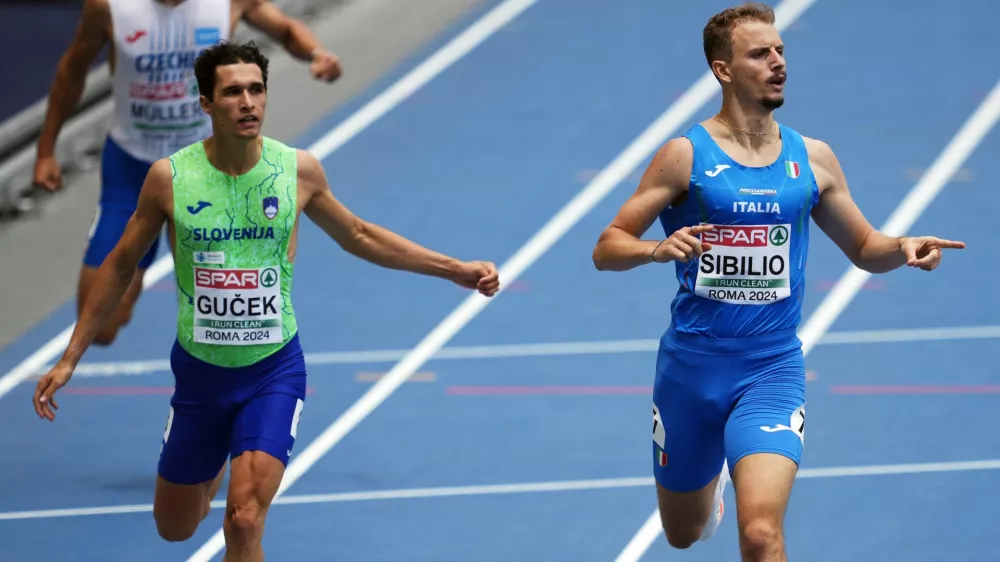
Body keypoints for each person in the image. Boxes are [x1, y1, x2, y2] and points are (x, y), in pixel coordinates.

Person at [31, 40, 500, 560]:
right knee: (175, 527)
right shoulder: (170, 178)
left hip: (272, 370)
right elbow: (120, 264)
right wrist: (70, 356)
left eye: (257, 90)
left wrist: (454, 269)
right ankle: (210, 460)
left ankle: (238, 470)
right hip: (200, 374)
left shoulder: (295, 170)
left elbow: (360, 235)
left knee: (245, 519)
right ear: (206, 104)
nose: (248, 102)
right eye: (233, 92)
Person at [591, 3, 964, 561]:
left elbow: (865, 247)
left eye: (781, 51)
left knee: (762, 533)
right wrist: (653, 248)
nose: (778, 62)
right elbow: (607, 247)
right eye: (760, 53)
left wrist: (902, 247)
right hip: (691, 371)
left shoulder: (812, 159)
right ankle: (704, 493)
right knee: (683, 533)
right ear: (724, 70)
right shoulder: (684, 156)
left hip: (771, 370)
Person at [33, 0, 343, 346]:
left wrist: (316, 52)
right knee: (103, 327)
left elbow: (285, 29)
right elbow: (72, 70)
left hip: (207, 171)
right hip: (132, 168)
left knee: (223, 315)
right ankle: (145, 255)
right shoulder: (108, 8)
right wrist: (46, 149)